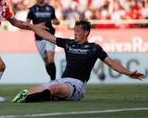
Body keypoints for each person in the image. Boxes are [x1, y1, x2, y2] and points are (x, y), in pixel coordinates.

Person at [12, 18, 145, 103]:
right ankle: (31, 97)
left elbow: (111, 63)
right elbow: (48, 37)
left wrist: (128, 73)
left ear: (86, 32)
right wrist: (30, 26)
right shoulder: (69, 43)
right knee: (28, 91)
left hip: (76, 86)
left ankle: (29, 100)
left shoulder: (94, 48)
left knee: (51, 89)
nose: (75, 33)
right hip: (62, 80)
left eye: (78, 31)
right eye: (74, 31)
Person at [26, 0, 60, 81]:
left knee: (50, 59)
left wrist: (57, 22)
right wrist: (37, 26)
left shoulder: (50, 8)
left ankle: (53, 81)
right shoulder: (32, 9)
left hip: (50, 37)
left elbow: (55, 20)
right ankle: (52, 79)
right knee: (46, 62)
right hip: (38, 38)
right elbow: (27, 24)